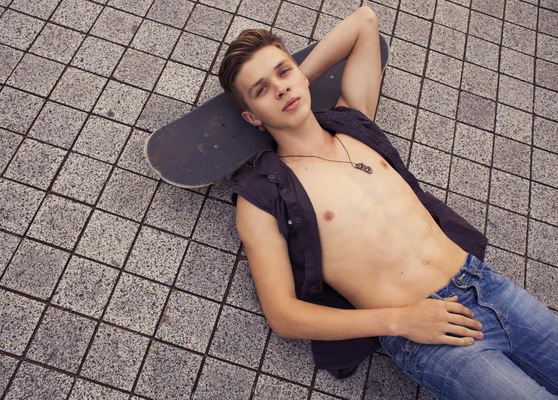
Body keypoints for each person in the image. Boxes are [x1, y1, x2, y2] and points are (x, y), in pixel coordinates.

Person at [217, 5, 558, 400]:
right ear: (251, 116)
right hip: (427, 332)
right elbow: (283, 315)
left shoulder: (353, 121)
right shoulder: (262, 196)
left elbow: (364, 21)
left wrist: (296, 84)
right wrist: (401, 321)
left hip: (487, 285)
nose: (279, 88)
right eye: (260, 90)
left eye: (283, 71)